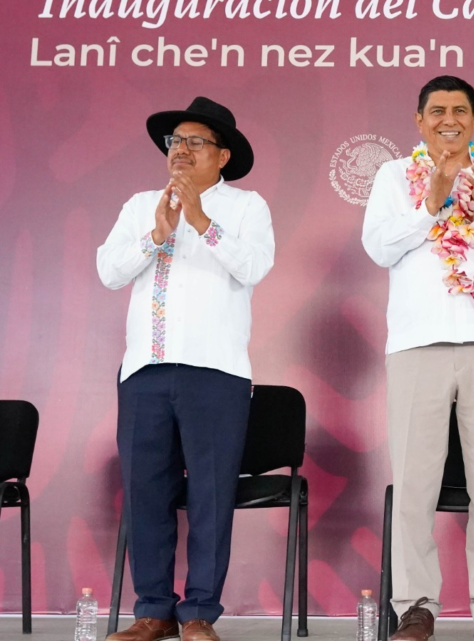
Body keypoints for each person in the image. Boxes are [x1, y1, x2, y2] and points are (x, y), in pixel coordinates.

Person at [362, 75, 474, 641]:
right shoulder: (394, 176)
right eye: (436, 111)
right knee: (414, 483)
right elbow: (379, 246)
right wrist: (432, 198)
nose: (448, 120)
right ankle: (415, 607)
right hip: (417, 347)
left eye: (460, 111)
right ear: (419, 121)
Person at [96, 96, 275, 641]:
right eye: (175, 142)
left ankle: (198, 613)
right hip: (145, 371)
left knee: (210, 497)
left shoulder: (247, 207)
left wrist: (199, 221)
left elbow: (254, 267)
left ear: (222, 155)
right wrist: (158, 232)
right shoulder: (140, 204)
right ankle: (152, 610)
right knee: (146, 490)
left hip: (215, 373)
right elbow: (108, 271)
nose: (181, 151)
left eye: (196, 142)